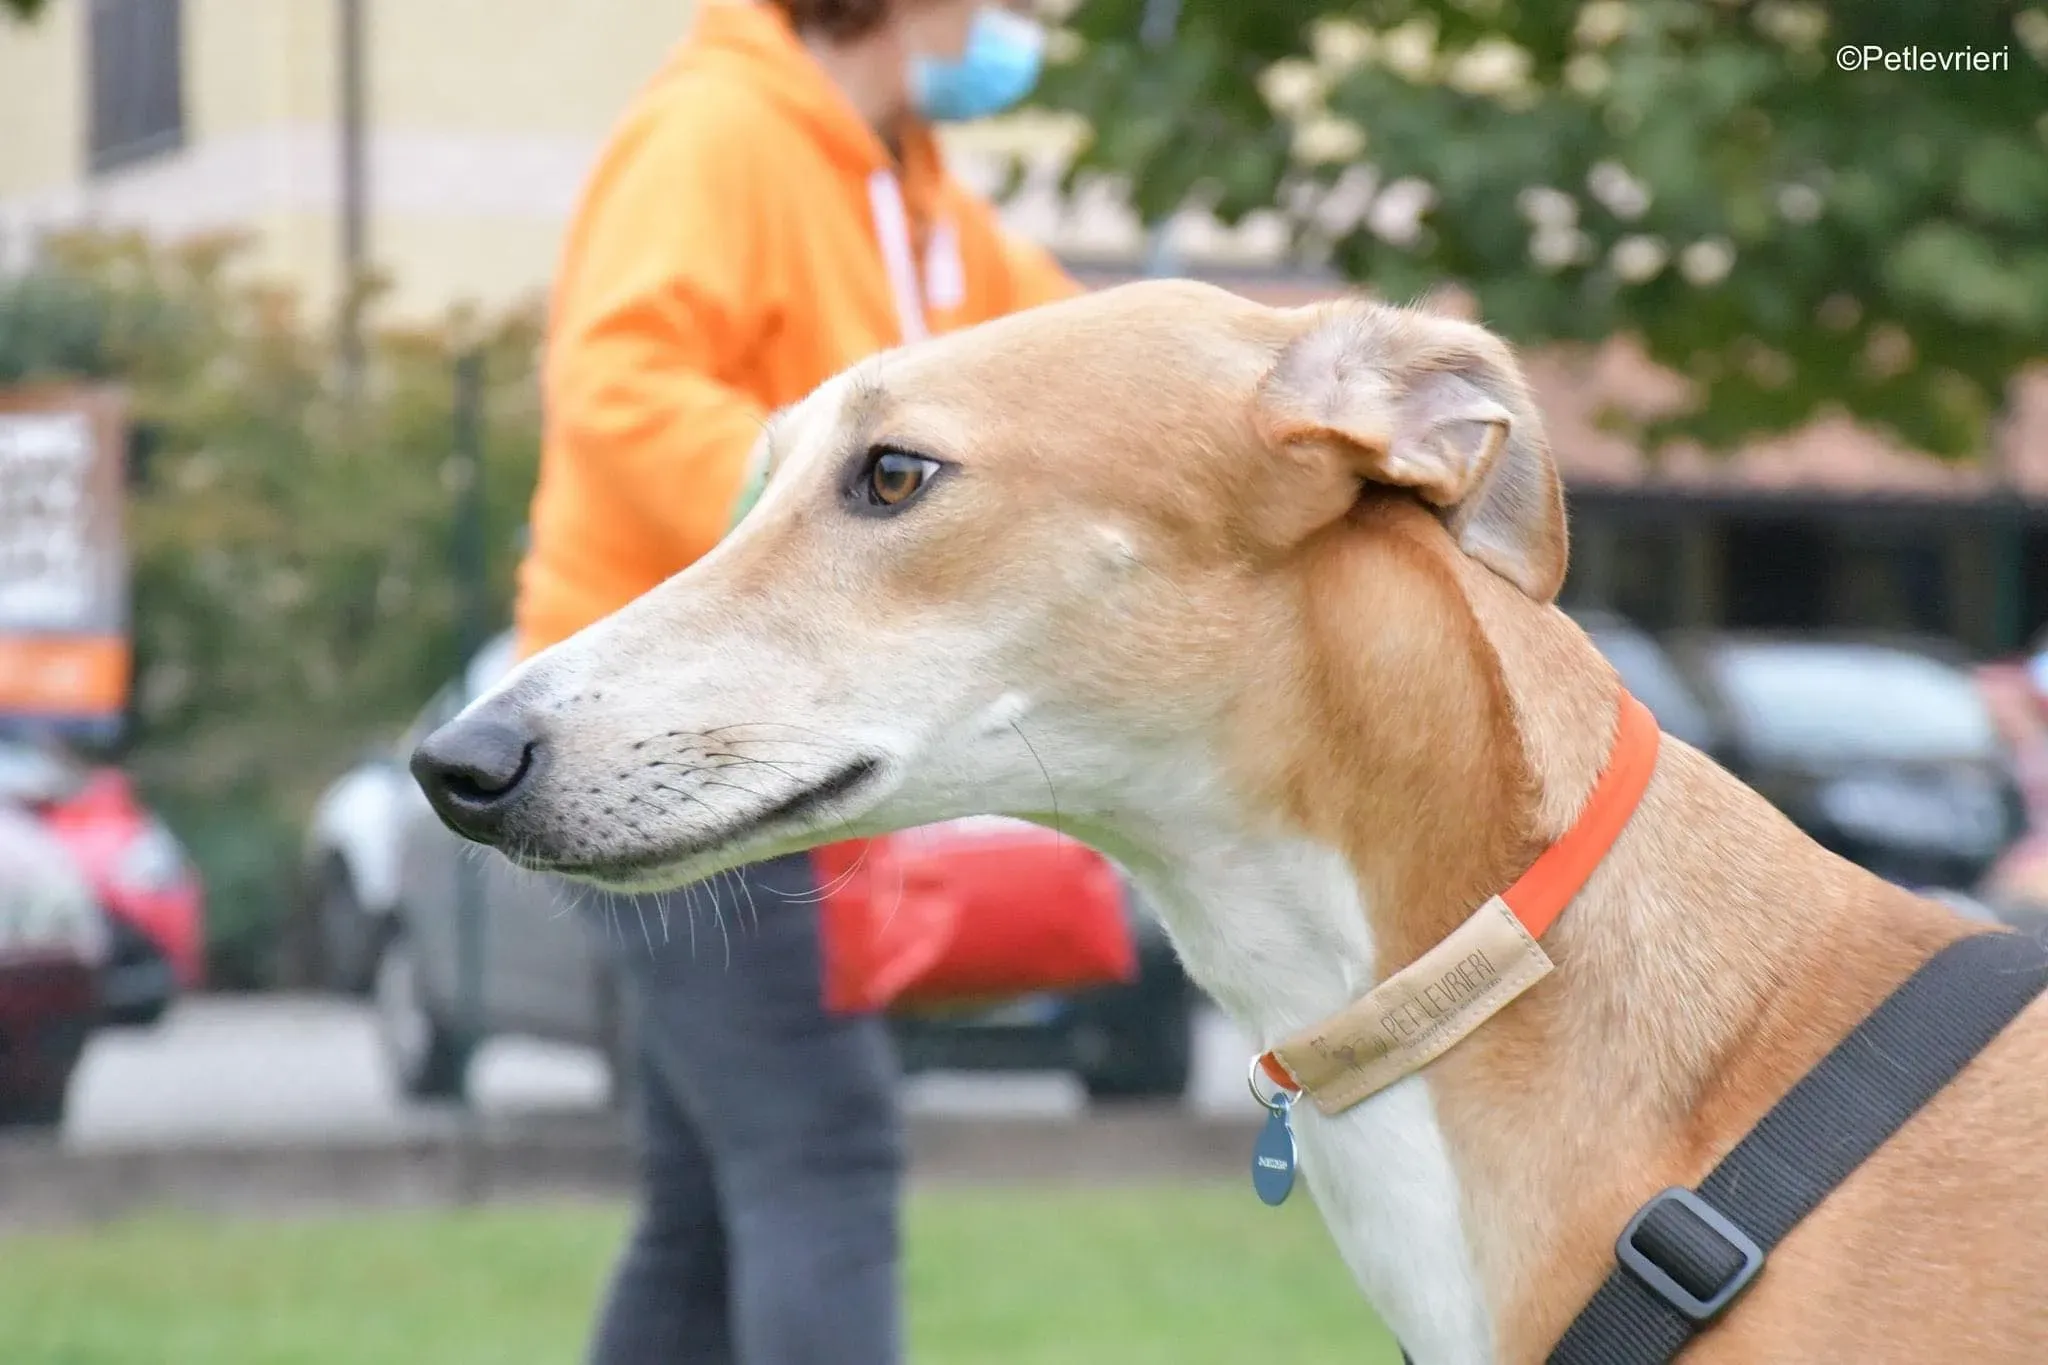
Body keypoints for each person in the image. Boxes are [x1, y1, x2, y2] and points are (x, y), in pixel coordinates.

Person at [510, 2, 1078, 1362]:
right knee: (822, 1150)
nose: (1021, 25)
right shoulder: (718, 131)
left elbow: (1081, 357)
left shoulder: (913, 187)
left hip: (754, 720)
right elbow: (622, 391)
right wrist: (842, 522)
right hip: (660, 728)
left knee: (709, 1204)